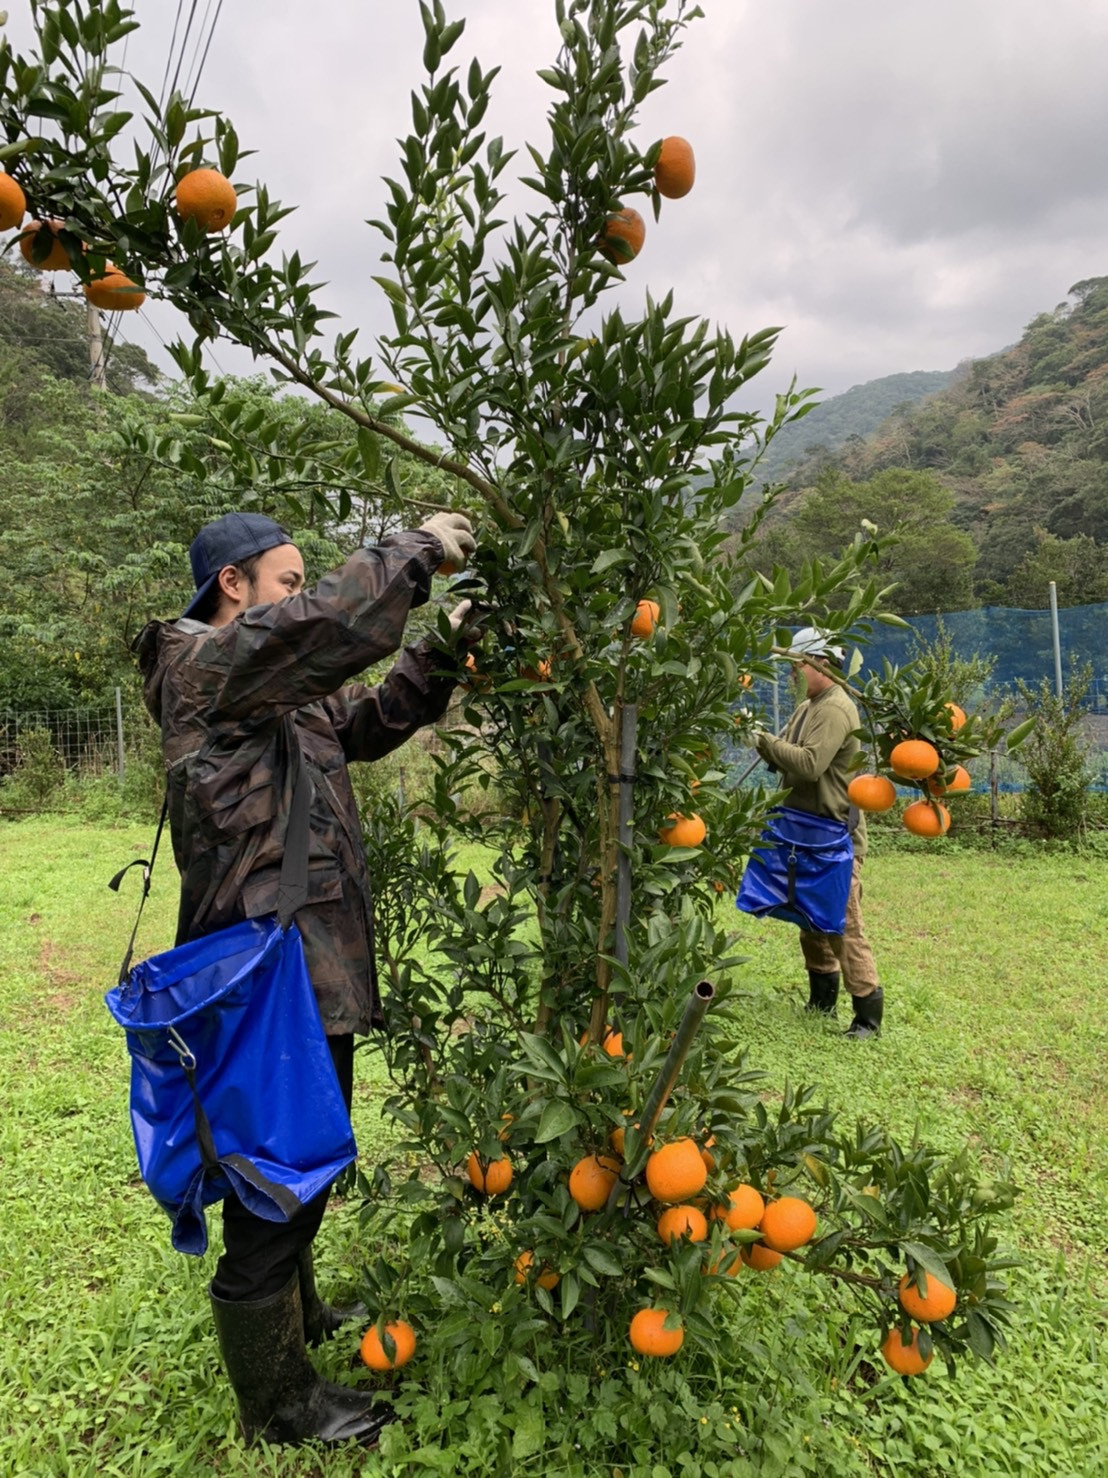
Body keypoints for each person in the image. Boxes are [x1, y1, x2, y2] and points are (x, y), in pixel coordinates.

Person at [134, 508, 477, 1447]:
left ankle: (300, 1315)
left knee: (304, 1157)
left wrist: (443, 651)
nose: (300, 593)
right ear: (232, 585)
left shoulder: (272, 685)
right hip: (263, 971)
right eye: (287, 579)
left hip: (303, 960)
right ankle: (279, 1404)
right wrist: (411, 550)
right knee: (274, 1177)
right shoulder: (199, 662)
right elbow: (325, 627)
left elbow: (362, 724)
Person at [753, 627, 883, 1039]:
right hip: (804, 830)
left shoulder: (834, 709)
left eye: (798, 664)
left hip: (834, 834)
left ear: (820, 663)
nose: (794, 672)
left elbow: (808, 764)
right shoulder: (810, 705)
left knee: (842, 924)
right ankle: (821, 999)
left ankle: (866, 1017)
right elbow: (785, 759)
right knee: (809, 915)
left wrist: (765, 740)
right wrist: (765, 744)